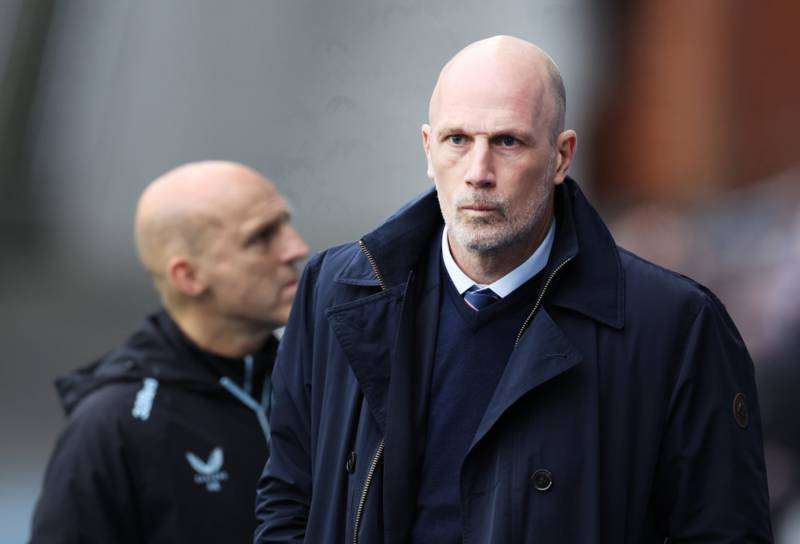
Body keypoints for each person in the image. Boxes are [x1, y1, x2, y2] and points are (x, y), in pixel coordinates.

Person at [254, 35, 773, 543]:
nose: (479, 173)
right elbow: (288, 498)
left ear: (561, 157)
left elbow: (722, 526)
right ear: (428, 149)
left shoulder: (675, 325)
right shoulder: (336, 291)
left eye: (508, 141)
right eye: (458, 140)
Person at [30, 161, 309, 543]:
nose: (296, 248)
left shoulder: (317, 381)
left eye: (285, 222)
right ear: (188, 276)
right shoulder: (113, 425)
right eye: (262, 237)